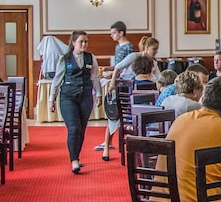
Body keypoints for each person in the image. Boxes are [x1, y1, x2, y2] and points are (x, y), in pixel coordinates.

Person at [48, 30, 100, 174]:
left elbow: (95, 78)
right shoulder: (65, 59)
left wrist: (98, 94)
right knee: (74, 128)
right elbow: (57, 80)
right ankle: (74, 160)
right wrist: (51, 99)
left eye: (86, 41)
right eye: (81, 41)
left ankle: (76, 155)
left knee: (82, 129)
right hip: (68, 97)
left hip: (85, 97)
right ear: (73, 43)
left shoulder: (91, 58)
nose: (84, 44)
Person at [101, 37, 161, 159]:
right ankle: (106, 146)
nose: (155, 52)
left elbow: (159, 78)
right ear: (146, 47)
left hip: (139, 92)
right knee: (115, 117)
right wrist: (112, 84)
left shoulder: (153, 62)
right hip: (125, 89)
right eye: (154, 49)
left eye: (157, 49)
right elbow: (118, 67)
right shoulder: (134, 56)